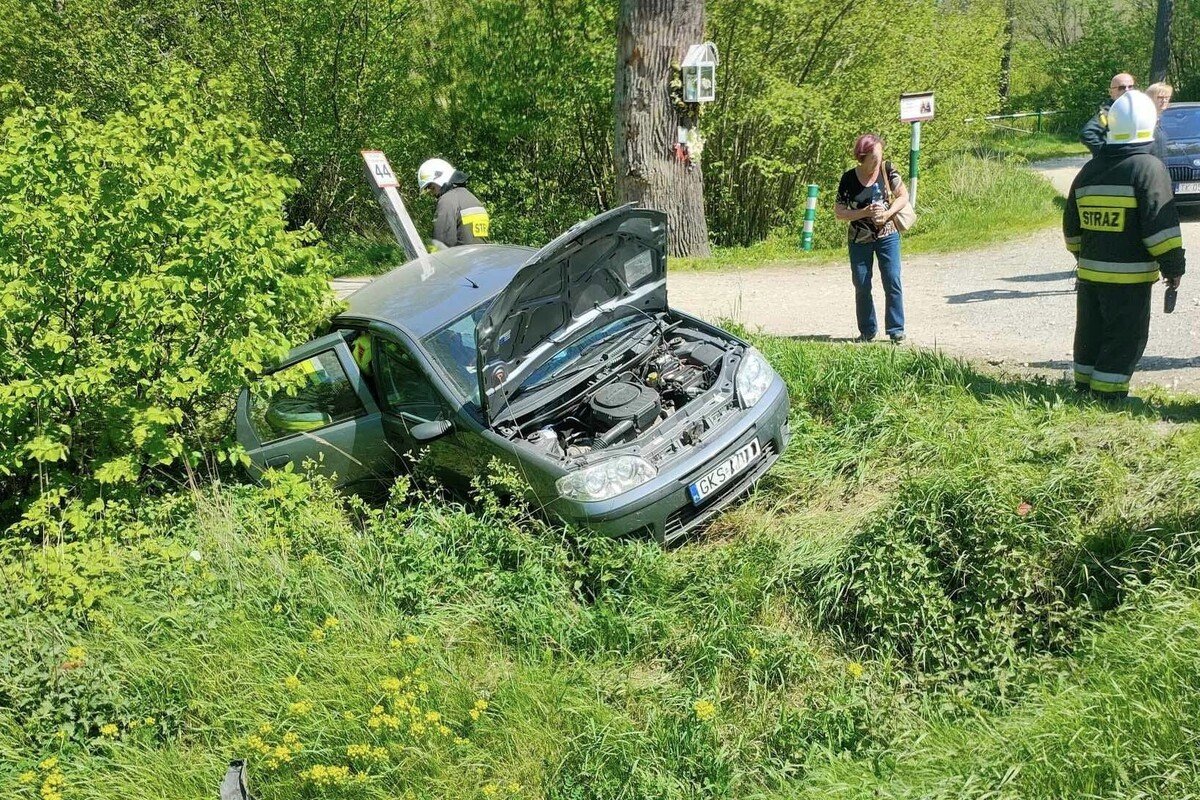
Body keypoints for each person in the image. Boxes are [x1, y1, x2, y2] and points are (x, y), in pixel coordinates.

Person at [1063, 90, 1186, 400]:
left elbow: (1071, 229)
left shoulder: (1089, 170)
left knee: (1090, 332)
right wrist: (1174, 268)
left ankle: (1084, 386)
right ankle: (1108, 396)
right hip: (1130, 279)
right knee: (1124, 337)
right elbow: (1162, 230)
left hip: (1090, 275)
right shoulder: (1148, 169)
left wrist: (1085, 255)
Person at [834, 134, 908, 343]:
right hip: (859, 238)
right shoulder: (848, 178)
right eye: (874, 156)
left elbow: (903, 196)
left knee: (892, 279)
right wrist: (864, 212)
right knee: (862, 283)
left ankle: (896, 330)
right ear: (863, 156)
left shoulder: (887, 169)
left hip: (887, 234)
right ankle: (867, 331)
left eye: (880, 154)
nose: (878, 159)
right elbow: (839, 212)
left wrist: (886, 213)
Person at [416, 158, 490, 248]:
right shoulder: (473, 199)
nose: (432, 193)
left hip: (461, 260)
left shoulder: (447, 201)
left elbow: (442, 242)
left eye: (432, 188)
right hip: (482, 258)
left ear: (439, 178)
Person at [1080, 73, 1136, 156]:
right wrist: (1107, 153)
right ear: (1111, 92)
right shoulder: (1108, 112)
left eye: (1130, 87)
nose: (1127, 90)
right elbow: (1087, 133)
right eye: (1121, 88)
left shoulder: (1137, 109)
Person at [1146, 82, 1174, 160]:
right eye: (1160, 97)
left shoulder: (1159, 118)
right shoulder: (1145, 120)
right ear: (1150, 98)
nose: (1164, 100)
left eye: (1167, 97)